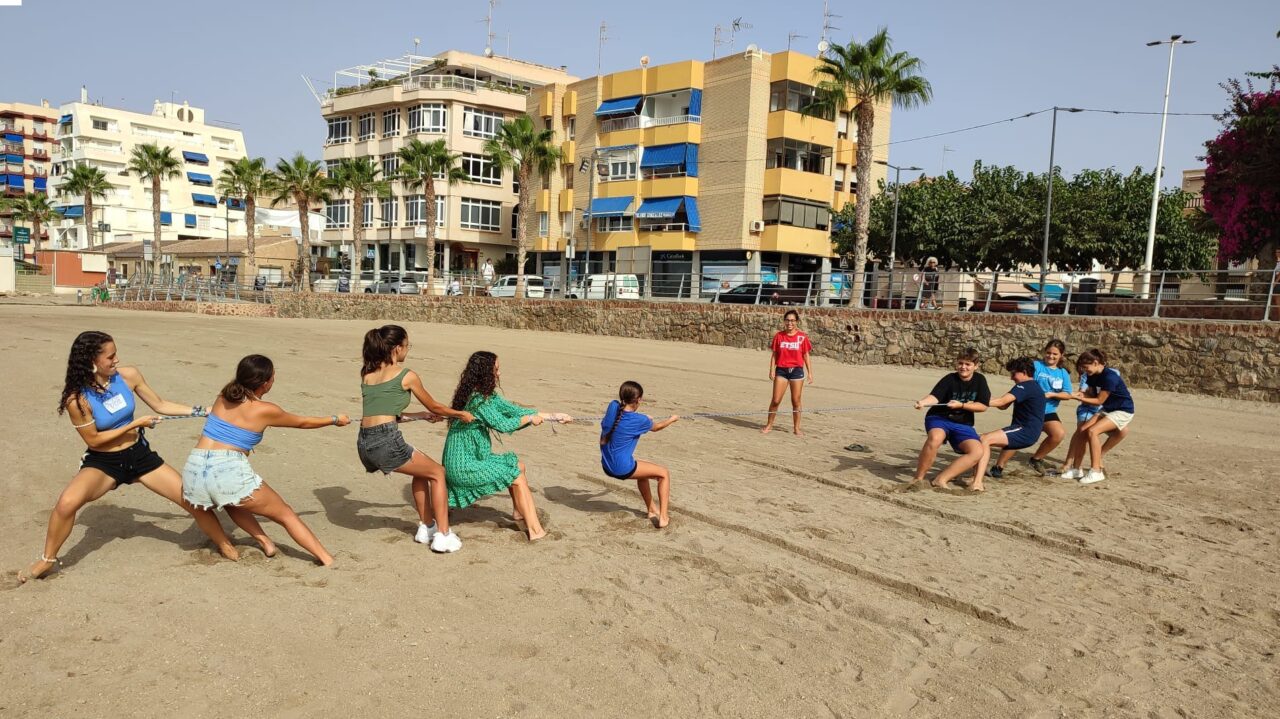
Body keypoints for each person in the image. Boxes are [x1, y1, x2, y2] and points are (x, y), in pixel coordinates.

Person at [22, 331, 236, 581]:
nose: (116, 360)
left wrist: (204, 411)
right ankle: (47, 560)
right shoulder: (77, 399)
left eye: (116, 354)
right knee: (66, 504)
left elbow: (160, 404)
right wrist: (133, 425)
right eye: (110, 356)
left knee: (189, 498)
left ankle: (223, 543)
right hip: (104, 462)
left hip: (139, 455)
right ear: (92, 360)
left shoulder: (128, 376)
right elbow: (93, 440)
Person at [183, 355, 350, 566]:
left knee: (231, 502)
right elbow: (303, 422)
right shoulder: (266, 410)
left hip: (194, 467)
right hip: (226, 468)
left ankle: (265, 542)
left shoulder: (223, 396)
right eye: (272, 377)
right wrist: (335, 420)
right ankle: (327, 559)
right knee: (286, 514)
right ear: (265, 383)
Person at [357, 325, 476, 553]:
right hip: (386, 442)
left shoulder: (367, 374)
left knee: (420, 471)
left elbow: (383, 413)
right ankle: (443, 534)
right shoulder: (406, 375)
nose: (407, 350)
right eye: (407, 346)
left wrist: (419, 416)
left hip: (364, 443)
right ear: (397, 348)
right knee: (438, 472)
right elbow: (434, 405)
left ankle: (427, 527)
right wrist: (460, 413)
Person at [442, 351, 572, 541]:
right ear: (485, 373)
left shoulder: (486, 396)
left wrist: (553, 416)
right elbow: (503, 425)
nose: (499, 374)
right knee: (516, 475)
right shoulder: (478, 401)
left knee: (519, 466)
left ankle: (519, 514)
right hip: (464, 467)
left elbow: (514, 410)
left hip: (471, 461)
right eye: (496, 369)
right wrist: (529, 419)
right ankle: (536, 531)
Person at [948, 357, 1047, 492]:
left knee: (985, 439)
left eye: (1013, 374)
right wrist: (980, 398)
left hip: (1025, 431)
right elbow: (1004, 405)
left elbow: (1000, 402)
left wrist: (972, 404)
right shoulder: (1029, 386)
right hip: (1022, 429)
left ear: (1024, 372)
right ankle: (974, 477)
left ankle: (977, 482)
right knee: (981, 439)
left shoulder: (1025, 386)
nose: (1012, 377)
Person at [599, 381, 680, 529]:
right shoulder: (640, 420)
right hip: (621, 468)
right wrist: (672, 419)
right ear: (639, 400)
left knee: (643, 474)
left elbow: (624, 415)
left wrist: (644, 418)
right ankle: (663, 517)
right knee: (664, 474)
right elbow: (657, 427)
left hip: (606, 465)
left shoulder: (613, 407)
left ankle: (651, 510)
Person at [991, 339, 1074, 477]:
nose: (1051, 356)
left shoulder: (1062, 373)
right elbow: (1023, 382)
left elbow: (1067, 394)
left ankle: (1036, 459)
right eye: (1048, 353)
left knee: (1058, 434)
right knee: (1016, 437)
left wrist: (1051, 394)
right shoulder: (1036, 366)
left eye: (1055, 354)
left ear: (1061, 355)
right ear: (1044, 352)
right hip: (1029, 408)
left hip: (1048, 410)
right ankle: (999, 467)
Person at [911, 348, 991, 488]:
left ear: (976, 366)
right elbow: (935, 396)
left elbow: (983, 406)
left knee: (977, 451)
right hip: (939, 418)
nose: (963, 367)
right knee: (936, 438)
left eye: (968, 364)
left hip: (963, 423)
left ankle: (941, 479)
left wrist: (962, 405)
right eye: (960, 363)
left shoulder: (980, 380)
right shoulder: (949, 379)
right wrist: (923, 402)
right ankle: (918, 478)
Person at [1060, 349, 1135, 484]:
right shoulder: (1092, 375)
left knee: (1092, 431)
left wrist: (1076, 398)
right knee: (1082, 430)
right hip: (1108, 409)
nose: (1084, 370)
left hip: (1123, 410)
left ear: (1096, 362)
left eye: (1086, 367)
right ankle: (1077, 469)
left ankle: (1096, 471)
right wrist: (1080, 395)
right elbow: (1093, 396)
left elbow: (1099, 401)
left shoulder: (1110, 377)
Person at [762, 309, 813, 435]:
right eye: (787, 320)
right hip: (782, 370)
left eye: (792, 320)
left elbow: (806, 355)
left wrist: (810, 373)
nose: (790, 323)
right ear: (784, 321)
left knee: (796, 401)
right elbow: (774, 354)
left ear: (797, 322)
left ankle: (796, 428)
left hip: (797, 371)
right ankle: (769, 425)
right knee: (776, 400)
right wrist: (771, 370)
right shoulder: (779, 336)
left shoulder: (802, 337)